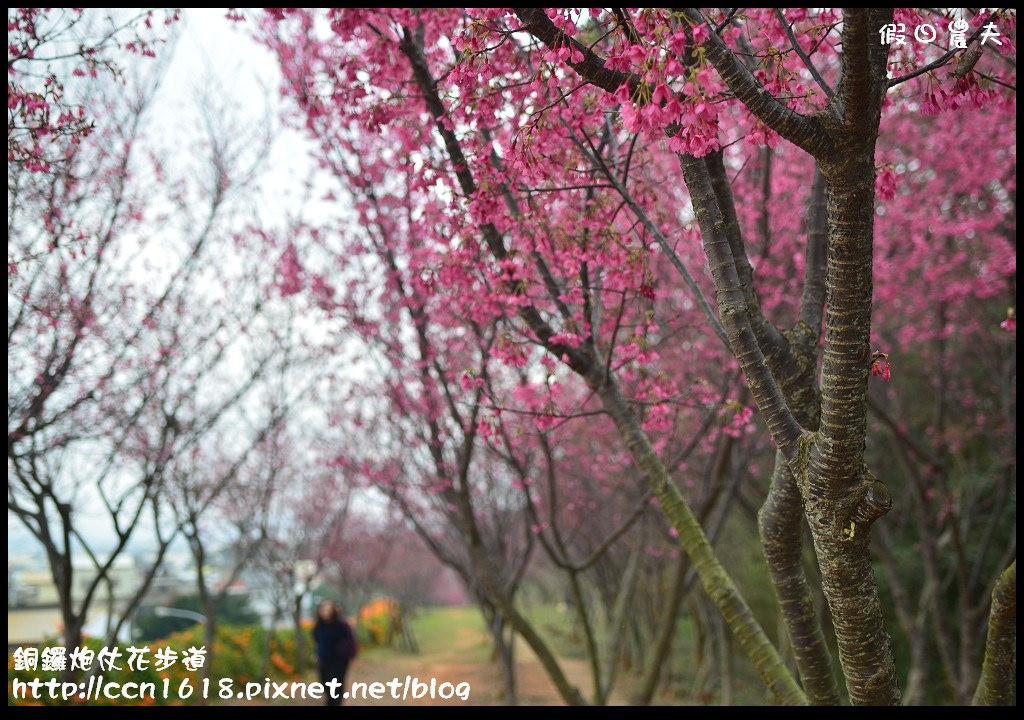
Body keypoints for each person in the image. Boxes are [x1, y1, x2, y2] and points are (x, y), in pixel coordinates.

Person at [312, 599, 358, 706]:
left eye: (328, 610)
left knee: (336, 686)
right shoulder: (319, 626)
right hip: (324, 660)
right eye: (323, 610)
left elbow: (350, 640)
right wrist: (317, 653)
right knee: (325, 684)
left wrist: (351, 655)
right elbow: (318, 641)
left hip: (339, 660)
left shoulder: (341, 625)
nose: (326, 612)